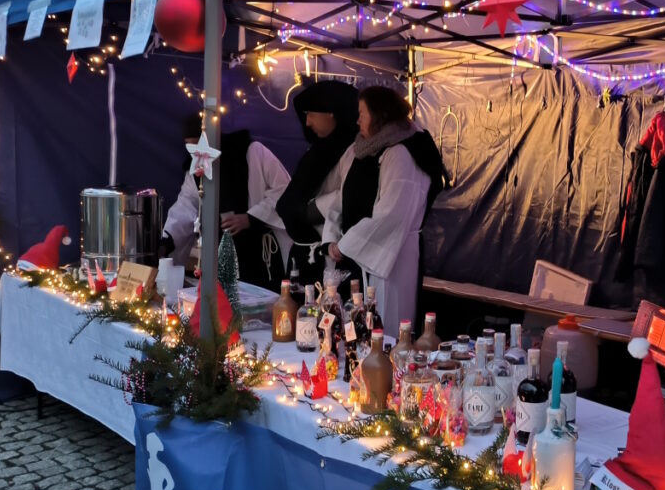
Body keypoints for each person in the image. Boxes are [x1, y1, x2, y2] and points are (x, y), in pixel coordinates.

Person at [318, 86, 449, 333]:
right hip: (354, 255)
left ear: (380, 116)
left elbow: (392, 215)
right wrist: (332, 240)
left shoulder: (402, 154)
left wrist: (345, 245)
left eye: (362, 114)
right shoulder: (359, 150)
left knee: (384, 327)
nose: (357, 120)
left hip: (389, 258)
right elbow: (340, 201)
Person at [160, 115, 292, 292]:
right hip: (219, 251)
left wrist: (251, 217)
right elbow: (186, 206)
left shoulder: (252, 152)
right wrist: (168, 239)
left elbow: (284, 190)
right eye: (189, 147)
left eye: (197, 145)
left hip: (259, 251)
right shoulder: (196, 169)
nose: (195, 154)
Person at [275, 80, 359, 287]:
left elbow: (349, 195)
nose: (308, 123)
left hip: (331, 251)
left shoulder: (353, 150)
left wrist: (312, 210)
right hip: (306, 252)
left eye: (310, 114)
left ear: (330, 112)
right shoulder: (320, 150)